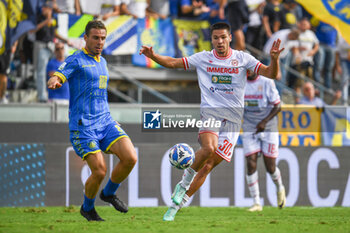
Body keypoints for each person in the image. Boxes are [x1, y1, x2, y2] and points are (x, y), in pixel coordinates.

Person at [139, 22, 284, 221]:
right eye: (216, 38)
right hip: (211, 113)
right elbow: (173, 63)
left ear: (230, 38)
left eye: (223, 37)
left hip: (233, 121)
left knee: (207, 167)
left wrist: (275, 59)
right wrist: (153, 56)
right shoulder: (203, 58)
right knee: (208, 149)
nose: (219, 41)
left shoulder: (242, 59)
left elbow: (271, 74)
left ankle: (176, 206)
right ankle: (182, 185)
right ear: (212, 39)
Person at [47, 20, 137, 221]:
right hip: (83, 127)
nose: (100, 42)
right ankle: (87, 208)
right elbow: (60, 74)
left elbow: (101, 95)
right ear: (85, 38)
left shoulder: (102, 62)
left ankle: (108, 193)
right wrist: (56, 80)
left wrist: (110, 118)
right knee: (100, 170)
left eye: (103, 38)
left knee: (130, 157)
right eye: (95, 37)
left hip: (105, 122)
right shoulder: (76, 60)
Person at [242, 70, 285, 212]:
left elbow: (277, 106)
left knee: (270, 167)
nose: (247, 72)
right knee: (250, 161)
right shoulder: (239, 83)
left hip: (268, 125)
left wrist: (264, 122)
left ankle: (280, 187)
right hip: (249, 125)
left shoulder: (267, 82)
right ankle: (256, 203)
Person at [32, 0, 72, 102]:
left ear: (49, 9)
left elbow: (54, 33)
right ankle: (42, 96)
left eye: (45, 8)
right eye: (43, 8)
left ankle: (62, 90)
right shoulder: (39, 17)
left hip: (51, 45)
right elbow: (33, 30)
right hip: (41, 45)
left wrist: (65, 40)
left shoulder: (54, 18)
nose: (43, 9)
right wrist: (46, 21)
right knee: (41, 72)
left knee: (59, 64)